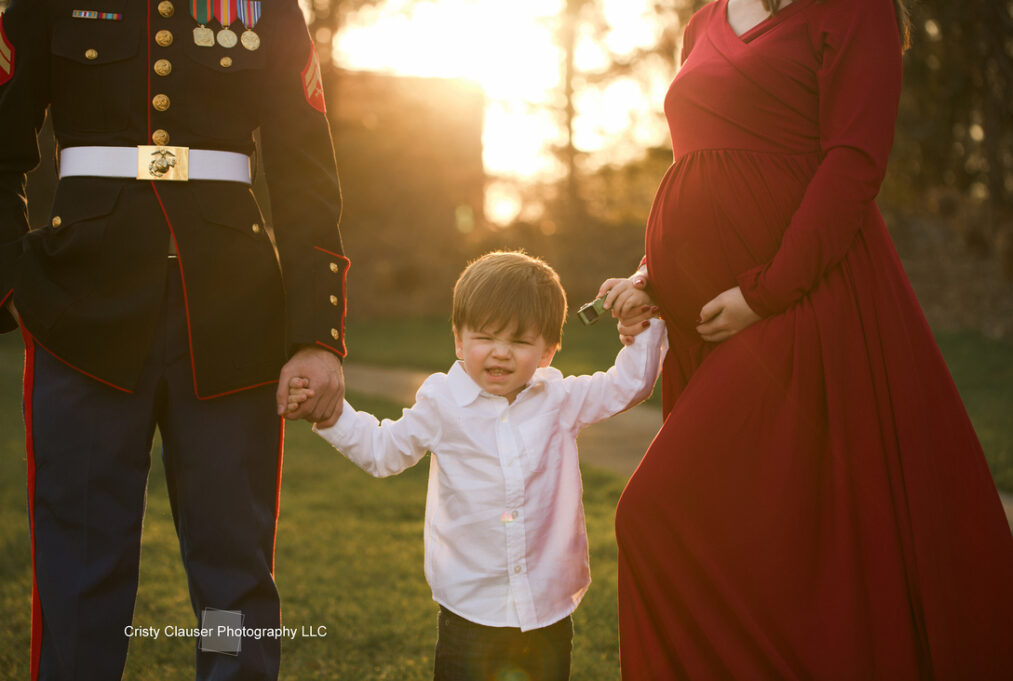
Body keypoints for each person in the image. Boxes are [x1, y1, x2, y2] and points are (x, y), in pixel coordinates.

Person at [600, 0, 1013, 678]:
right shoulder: (703, 23)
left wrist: (767, 292)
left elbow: (854, 163)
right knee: (755, 538)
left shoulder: (856, 10)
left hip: (806, 303)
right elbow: (698, 166)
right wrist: (649, 276)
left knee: (657, 513)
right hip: (711, 322)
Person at [0, 1, 348, 679]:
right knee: (82, 564)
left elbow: (306, 170)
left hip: (233, 316)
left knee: (231, 570)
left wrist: (315, 334)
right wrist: (13, 282)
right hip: (81, 313)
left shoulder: (266, 8)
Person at [291, 251, 666, 681]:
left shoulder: (559, 400)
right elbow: (382, 452)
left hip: (547, 610)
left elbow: (629, 386)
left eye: (521, 342)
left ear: (547, 351)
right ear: (458, 340)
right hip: (469, 615)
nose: (501, 354)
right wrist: (331, 416)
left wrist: (640, 324)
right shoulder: (442, 402)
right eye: (485, 337)